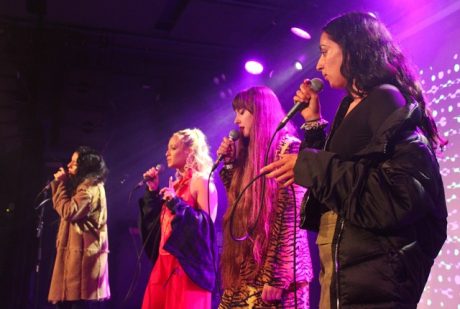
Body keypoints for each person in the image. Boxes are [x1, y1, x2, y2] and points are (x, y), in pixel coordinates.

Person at [262, 12, 448, 308]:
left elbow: (393, 195)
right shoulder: (353, 104)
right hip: (350, 275)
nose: (319, 64)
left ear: (354, 49)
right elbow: (348, 173)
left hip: (372, 281)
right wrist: (313, 125)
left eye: (325, 52)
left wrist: (309, 165)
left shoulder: (385, 98)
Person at [217, 86, 313, 308]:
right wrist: (231, 163)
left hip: (277, 274)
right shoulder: (251, 151)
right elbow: (240, 204)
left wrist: (277, 275)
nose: (236, 120)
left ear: (259, 112)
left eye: (242, 112)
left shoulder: (288, 148)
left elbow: (292, 216)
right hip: (248, 267)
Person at [139, 128, 218, 309]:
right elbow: (160, 229)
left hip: (186, 269)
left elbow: (206, 230)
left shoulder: (202, 181)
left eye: (173, 148)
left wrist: (177, 204)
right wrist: (152, 192)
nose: (167, 153)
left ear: (189, 151)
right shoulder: (174, 185)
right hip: (164, 265)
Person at [48, 146, 110, 309]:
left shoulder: (89, 188)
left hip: (82, 265)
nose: (68, 165)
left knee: (76, 304)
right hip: (77, 262)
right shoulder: (86, 186)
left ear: (85, 167)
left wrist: (60, 185)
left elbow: (69, 211)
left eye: (74, 163)